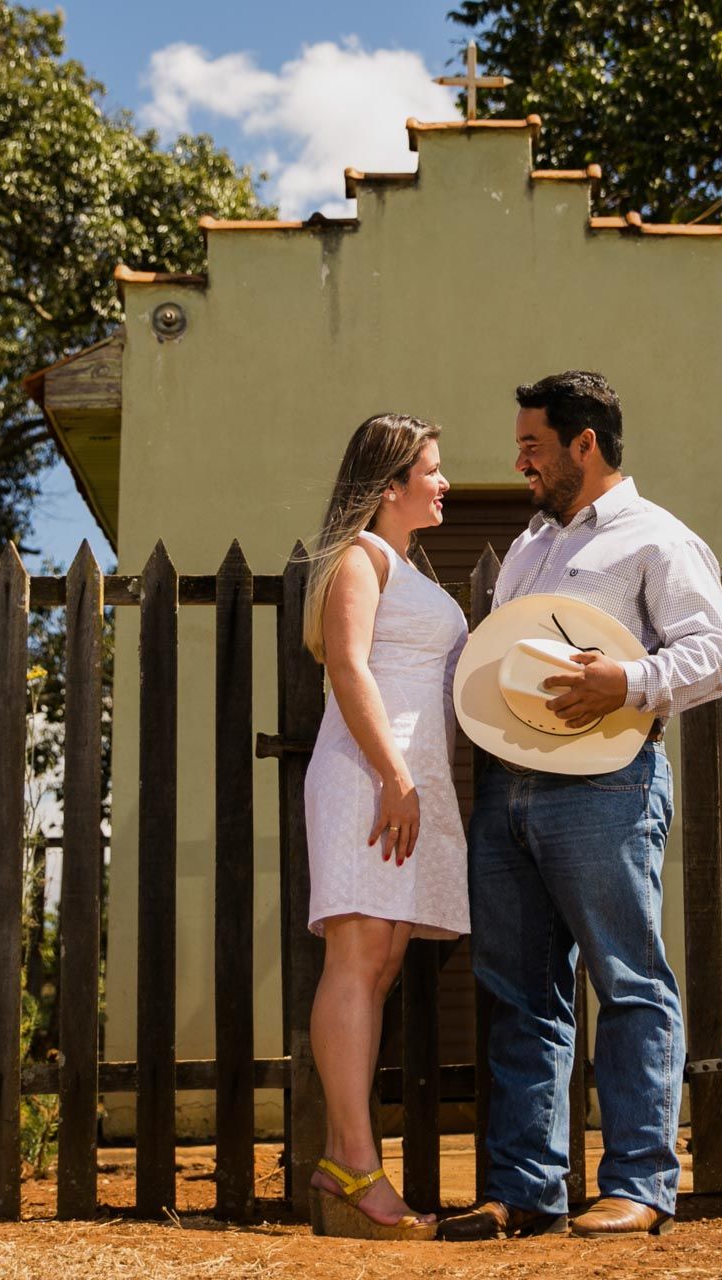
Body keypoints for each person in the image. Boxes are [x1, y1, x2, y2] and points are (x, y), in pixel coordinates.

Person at [440, 371, 722, 1240]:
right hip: (508, 787)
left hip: (609, 787)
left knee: (629, 979)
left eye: (533, 444)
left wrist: (629, 681)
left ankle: (640, 1185)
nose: (518, 459)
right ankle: (524, 1191)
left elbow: (714, 656)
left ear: (586, 444)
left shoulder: (658, 539)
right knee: (519, 991)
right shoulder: (531, 545)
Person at [301, 413, 468, 1240]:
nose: (445, 483)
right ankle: (360, 1173)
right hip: (370, 780)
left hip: (404, 786)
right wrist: (395, 777)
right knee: (358, 958)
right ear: (389, 485)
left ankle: (343, 1162)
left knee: (380, 964)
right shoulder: (362, 559)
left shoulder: (406, 565)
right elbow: (348, 665)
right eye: (431, 470)